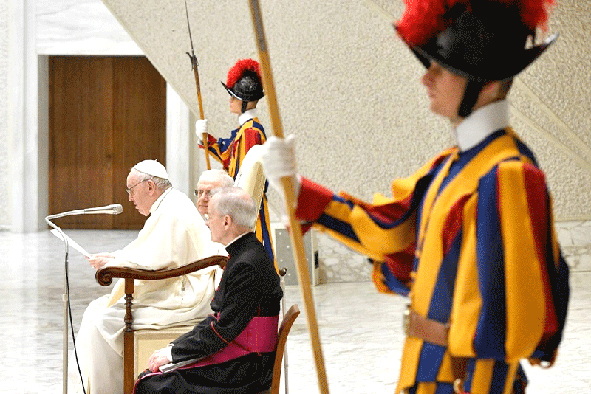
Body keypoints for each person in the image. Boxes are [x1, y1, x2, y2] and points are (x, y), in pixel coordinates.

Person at [261, 1, 570, 394]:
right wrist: (298, 188)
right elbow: (388, 232)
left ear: (488, 82)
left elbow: (501, 327)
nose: (428, 79)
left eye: (442, 69)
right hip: (423, 373)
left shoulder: (507, 176)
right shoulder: (449, 167)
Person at [74, 160, 225, 394]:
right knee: (95, 310)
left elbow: (154, 263)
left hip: (186, 294)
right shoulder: (169, 205)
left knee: (100, 322)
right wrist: (114, 258)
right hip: (179, 284)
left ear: (150, 187)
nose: (130, 198)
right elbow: (149, 253)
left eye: (131, 190)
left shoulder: (172, 210)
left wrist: (114, 264)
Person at [134, 187, 283, 394]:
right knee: (152, 377)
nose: (206, 222)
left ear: (226, 221)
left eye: (209, 217)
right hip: (243, 358)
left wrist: (174, 354)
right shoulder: (246, 252)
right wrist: (174, 348)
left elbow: (221, 330)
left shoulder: (246, 265)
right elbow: (218, 320)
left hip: (247, 368)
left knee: (152, 385)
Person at [196, 58, 275, 264]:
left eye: (234, 97)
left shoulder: (251, 132)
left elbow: (244, 174)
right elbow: (227, 153)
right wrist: (206, 138)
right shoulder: (246, 130)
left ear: (245, 103)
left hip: (245, 205)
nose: (230, 101)